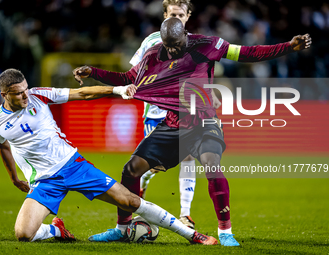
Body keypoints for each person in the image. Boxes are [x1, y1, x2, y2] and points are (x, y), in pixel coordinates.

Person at [73, 18, 311, 246]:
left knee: (211, 165)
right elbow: (126, 78)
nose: (173, 50)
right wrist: (93, 72)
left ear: (185, 35)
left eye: (176, 45)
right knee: (131, 169)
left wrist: (288, 47)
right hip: (173, 124)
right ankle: (123, 227)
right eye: (169, 46)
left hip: (203, 122)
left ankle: (225, 231)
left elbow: (248, 53)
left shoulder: (207, 45)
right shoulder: (152, 55)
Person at [0, 68, 219, 245]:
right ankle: (57, 229)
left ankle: (192, 234)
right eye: (19, 94)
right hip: (44, 181)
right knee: (23, 235)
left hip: (73, 166)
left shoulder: (38, 95)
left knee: (129, 200)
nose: (25, 96)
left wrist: (117, 90)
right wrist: (14, 177)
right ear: (4, 94)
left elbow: (82, 93)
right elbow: (4, 147)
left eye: (25, 89)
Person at [129, 0, 221, 230]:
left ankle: (185, 214)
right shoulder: (151, 41)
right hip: (156, 112)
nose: (176, 19)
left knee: (188, 157)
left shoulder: (197, 44)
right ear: (164, 15)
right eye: (172, 14)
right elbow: (135, 73)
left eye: (180, 15)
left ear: (188, 16)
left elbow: (201, 75)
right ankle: (139, 192)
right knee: (152, 166)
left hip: (185, 112)